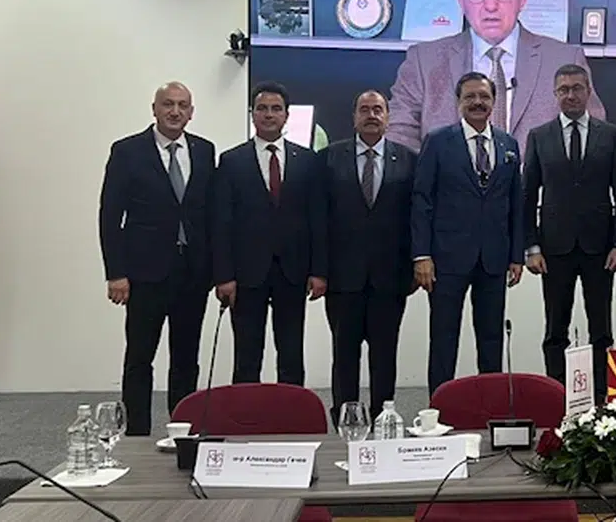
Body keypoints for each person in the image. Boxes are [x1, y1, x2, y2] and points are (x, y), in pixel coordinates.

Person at [387, 0, 605, 157]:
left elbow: (593, 139)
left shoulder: (564, 60)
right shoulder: (423, 62)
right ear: (461, 1)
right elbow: (398, 141)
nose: (490, 5)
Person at [98, 82, 215, 436]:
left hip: (192, 274)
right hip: (144, 274)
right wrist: (115, 273)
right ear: (154, 109)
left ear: (191, 112)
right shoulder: (127, 151)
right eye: (168, 104)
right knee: (139, 358)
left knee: (186, 359)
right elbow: (110, 217)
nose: (175, 111)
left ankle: (183, 432)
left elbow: (210, 214)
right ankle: (137, 435)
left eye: (182, 105)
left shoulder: (204, 150)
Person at [412, 71, 525, 395]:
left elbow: (516, 203)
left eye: (484, 96)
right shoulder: (438, 141)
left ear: (494, 101)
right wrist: (422, 255)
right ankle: (439, 408)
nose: (478, 102)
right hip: (446, 259)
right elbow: (421, 200)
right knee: (444, 338)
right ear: (458, 102)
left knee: (491, 338)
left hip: (494, 259)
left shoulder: (508, 144)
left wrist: (516, 255)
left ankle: (489, 406)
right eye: (470, 97)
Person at [522, 64, 616, 402]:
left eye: (577, 88)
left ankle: (602, 402)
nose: (571, 95)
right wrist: (531, 247)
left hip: (601, 249)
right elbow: (527, 196)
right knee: (556, 331)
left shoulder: (610, 135)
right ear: (555, 94)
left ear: (588, 91)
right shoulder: (539, 136)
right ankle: (558, 397)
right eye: (564, 89)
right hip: (554, 249)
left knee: (602, 331)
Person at [212, 80, 325, 386]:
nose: (269, 114)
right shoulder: (232, 161)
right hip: (246, 274)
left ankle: (292, 412)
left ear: (287, 115)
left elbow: (317, 219)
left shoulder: (308, 161)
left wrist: (319, 271)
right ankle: (246, 413)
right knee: (247, 356)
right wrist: (224, 276)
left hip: (293, 271)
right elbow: (222, 222)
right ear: (252, 114)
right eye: (262, 108)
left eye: (276, 109)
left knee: (291, 354)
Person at [319, 90, 417, 423]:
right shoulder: (329, 158)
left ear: (388, 117)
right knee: (344, 356)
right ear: (354, 117)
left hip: (390, 279)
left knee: (384, 356)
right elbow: (318, 219)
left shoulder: (408, 159)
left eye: (378, 109)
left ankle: (382, 419)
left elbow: (415, 218)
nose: (371, 115)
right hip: (342, 279)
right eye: (364, 109)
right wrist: (319, 270)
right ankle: (345, 420)